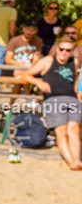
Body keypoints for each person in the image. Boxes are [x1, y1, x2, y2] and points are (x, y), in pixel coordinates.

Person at [20, 38, 82, 170]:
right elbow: (24, 75)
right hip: (53, 99)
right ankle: (71, 162)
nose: (64, 52)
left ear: (72, 52)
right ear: (57, 49)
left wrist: (77, 89)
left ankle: (77, 160)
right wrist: (39, 82)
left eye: (68, 50)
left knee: (74, 129)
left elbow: (75, 78)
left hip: (72, 99)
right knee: (61, 130)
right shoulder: (48, 60)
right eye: (62, 49)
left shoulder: (75, 62)